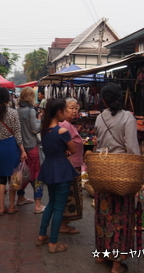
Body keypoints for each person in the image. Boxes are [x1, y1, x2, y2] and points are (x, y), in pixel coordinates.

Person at [93, 83, 141, 273]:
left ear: (103, 100)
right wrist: (138, 177)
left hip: (103, 171)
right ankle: (116, 264)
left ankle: (102, 254)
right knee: (121, 216)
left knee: (103, 215)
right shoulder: (128, 117)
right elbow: (132, 148)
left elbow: (99, 144)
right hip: (121, 173)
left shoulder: (99, 118)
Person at [36, 98, 78, 254]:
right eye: (65, 111)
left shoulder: (45, 130)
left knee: (51, 203)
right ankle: (53, 243)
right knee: (59, 207)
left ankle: (42, 235)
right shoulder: (62, 131)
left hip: (49, 168)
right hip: (61, 170)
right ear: (59, 112)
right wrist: (65, 150)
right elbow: (73, 150)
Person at [0, 87, 27, 215]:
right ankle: (11, 207)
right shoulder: (13, 113)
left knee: (1, 180)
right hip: (12, 147)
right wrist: (22, 150)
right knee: (13, 178)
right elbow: (17, 133)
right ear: (7, 99)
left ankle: (0, 208)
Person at [16, 87, 44, 213]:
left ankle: (20, 197)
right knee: (36, 174)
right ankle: (38, 204)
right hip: (31, 146)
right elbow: (34, 129)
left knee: (21, 173)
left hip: (19, 147)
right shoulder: (31, 111)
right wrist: (40, 120)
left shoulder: (16, 111)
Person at [58, 98, 84, 234]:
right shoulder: (65, 125)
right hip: (70, 165)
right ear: (64, 110)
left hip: (73, 164)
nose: (74, 111)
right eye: (71, 108)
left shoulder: (68, 124)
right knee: (68, 196)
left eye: (76, 108)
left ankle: (64, 223)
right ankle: (62, 224)